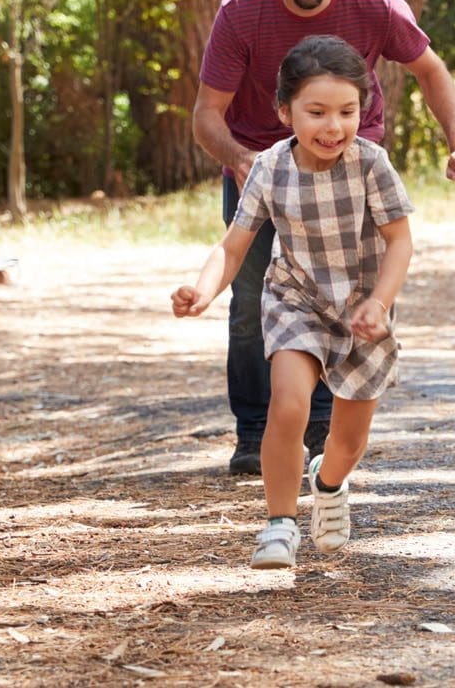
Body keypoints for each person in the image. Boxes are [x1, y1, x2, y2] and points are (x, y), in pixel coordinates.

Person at [194, 0, 455, 477]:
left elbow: (431, 70)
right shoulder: (243, 8)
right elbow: (206, 112)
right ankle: (256, 432)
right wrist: (240, 156)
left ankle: (323, 431)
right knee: (252, 300)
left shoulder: (372, 1)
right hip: (263, 162)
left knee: (348, 293)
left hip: (350, 165)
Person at [173, 36, 414, 569]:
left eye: (347, 111)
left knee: (347, 442)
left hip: (361, 311)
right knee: (287, 403)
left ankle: (327, 484)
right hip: (295, 298)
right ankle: (279, 524)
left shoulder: (372, 164)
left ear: (363, 110)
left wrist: (379, 301)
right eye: (317, 112)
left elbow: (400, 241)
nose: (333, 126)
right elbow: (233, 246)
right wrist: (203, 290)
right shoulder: (268, 168)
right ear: (285, 112)